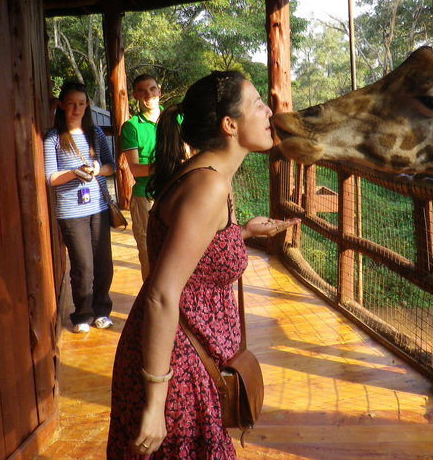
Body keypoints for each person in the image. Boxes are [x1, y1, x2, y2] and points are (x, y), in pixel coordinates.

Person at [107, 71, 300, 459]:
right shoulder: (209, 186)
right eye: (258, 104)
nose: (269, 111)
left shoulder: (208, 178)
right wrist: (155, 401)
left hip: (188, 362)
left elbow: (192, 253)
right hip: (177, 369)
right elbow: (162, 294)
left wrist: (240, 233)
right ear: (230, 125)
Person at [44, 81, 117, 334]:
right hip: (71, 212)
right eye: (71, 104)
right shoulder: (53, 137)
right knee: (83, 265)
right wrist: (74, 173)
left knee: (103, 263)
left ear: (87, 105)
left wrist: (97, 169)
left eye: (82, 104)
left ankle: (101, 310)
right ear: (62, 105)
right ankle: (82, 314)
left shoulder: (95, 133)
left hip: (98, 207)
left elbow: (111, 166)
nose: (77, 109)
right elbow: (50, 177)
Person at [120, 74, 163, 281]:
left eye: (152, 89)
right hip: (145, 197)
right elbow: (136, 169)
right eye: (143, 91)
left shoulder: (175, 119)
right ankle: (149, 307)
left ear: (159, 92)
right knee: (149, 253)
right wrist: (167, 164)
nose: (149, 94)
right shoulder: (131, 127)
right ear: (135, 95)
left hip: (174, 193)